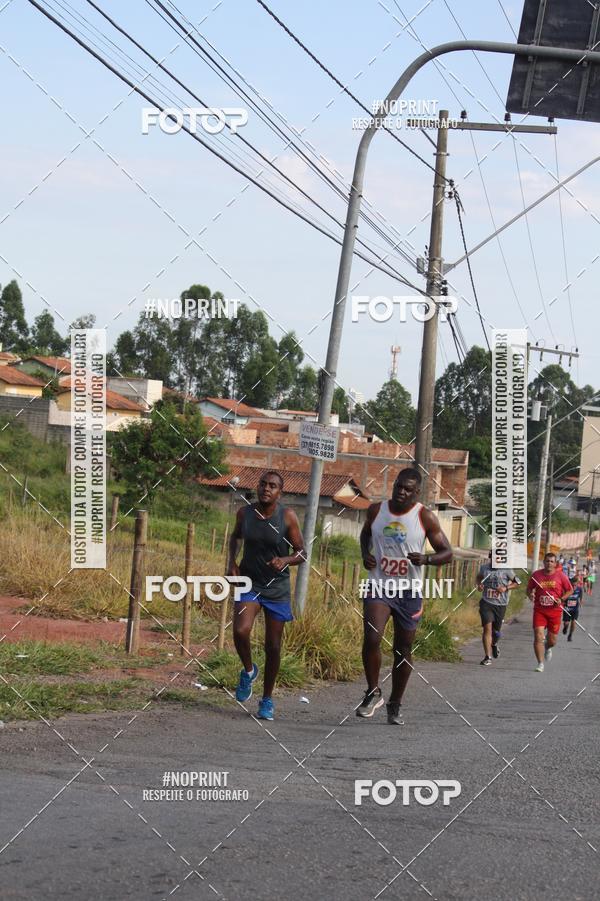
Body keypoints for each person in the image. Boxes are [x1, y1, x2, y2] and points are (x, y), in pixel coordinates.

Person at [357, 468, 453, 725]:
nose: (401, 492)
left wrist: (427, 559)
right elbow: (366, 532)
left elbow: (447, 552)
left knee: (403, 649)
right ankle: (372, 691)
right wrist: (365, 552)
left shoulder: (424, 517)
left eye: (407, 489)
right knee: (372, 635)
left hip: (409, 592)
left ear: (416, 492)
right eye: (398, 486)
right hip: (379, 586)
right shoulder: (377, 510)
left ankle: (395, 702)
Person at [226, 470, 305, 721]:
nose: (266, 489)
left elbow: (302, 553)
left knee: (273, 646)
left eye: (272, 486)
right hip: (249, 581)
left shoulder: (287, 517)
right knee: (240, 630)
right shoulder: (245, 513)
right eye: (263, 484)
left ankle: (267, 699)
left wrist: (286, 559)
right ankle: (249, 671)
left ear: (280, 492)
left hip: (277, 589)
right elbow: (235, 537)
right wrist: (232, 562)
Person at [526, 552, 573, 672]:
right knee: (538, 636)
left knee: (552, 641)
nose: (549, 563)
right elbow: (529, 588)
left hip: (555, 611)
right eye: (547, 561)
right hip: (540, 610)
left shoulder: (561, 576)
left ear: (555, 563)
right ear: (544, 562)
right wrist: (530, 594)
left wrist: (561, 599)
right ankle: (540, 663)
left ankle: (548, 647)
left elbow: (570, 590)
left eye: (552, 561)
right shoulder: (536, 575)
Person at [476, 551, 521, 665]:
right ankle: (487, 657)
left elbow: (518, 583)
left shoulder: (507, 569)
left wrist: (506, 588)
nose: (497, 560)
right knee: (487, 629)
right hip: (486, 602)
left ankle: (494, 644)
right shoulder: (484, 568)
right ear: (491, 557)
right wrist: (479, 585)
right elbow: (479, 578)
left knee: (496, 632)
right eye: (495, 557)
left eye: (500, 558)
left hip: (500, 605)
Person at [562, 577, 583, 642]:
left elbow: (580, 596)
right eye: (573, 585)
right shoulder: (566, 589)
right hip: (567, 609)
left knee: (574, 623)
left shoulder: (579, 589)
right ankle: (565, 628)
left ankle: (570, 635)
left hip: (575, 609)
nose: (574, 586)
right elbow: (562, 597)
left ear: (577, 584)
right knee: (566, 623)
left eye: (575, 585)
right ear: (570, 583)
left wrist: (580, 602)